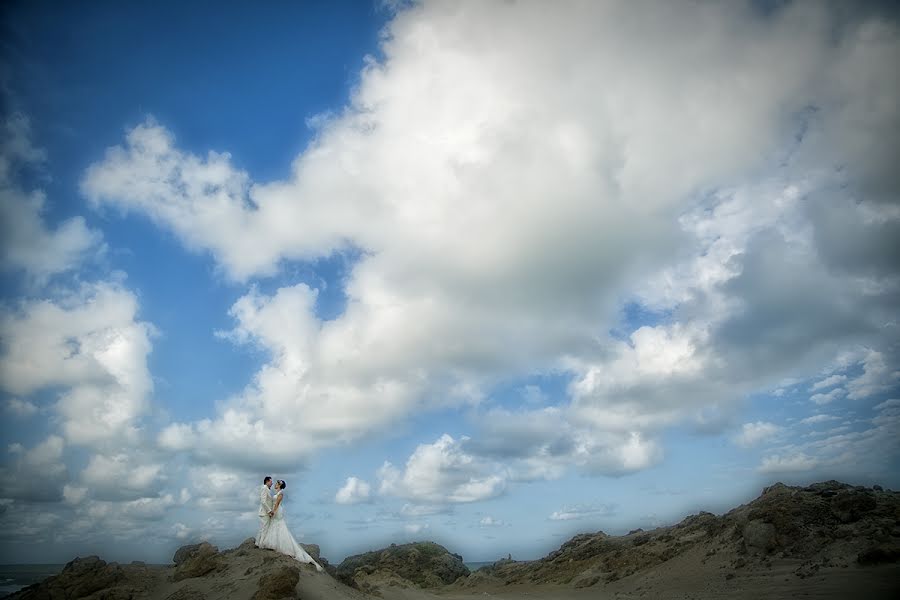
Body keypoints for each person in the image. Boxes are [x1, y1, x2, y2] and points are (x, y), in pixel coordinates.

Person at [256, 479, 323, 571]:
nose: (274, 484)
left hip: (277, 511)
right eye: (274, 483)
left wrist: (273, 512)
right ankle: (273, 543)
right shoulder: (276, 492)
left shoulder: (281, 493)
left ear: (279, 485)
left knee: (279, 526)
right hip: (274, 511)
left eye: (276, 483)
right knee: (274, 526)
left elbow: (277, 504)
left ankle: (281, 546)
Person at [256, 476, 274, 546]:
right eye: (271, 481)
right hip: (264, 512)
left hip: (266, 512)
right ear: (267, 481)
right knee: (265, 528)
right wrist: (269, 511)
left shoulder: (267, 489)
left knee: (263, 527)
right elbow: (263, 501)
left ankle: (259, 542)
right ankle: (262, 544)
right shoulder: (264, 488)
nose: (272, 483)